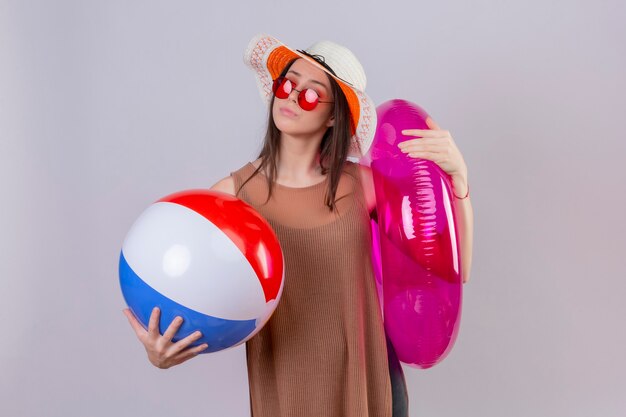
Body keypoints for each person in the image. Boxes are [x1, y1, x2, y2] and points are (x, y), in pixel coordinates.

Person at [123, 34, 474, 417]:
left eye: (310, 94)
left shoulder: (365, 186)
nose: (291, 97)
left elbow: (450, 268)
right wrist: (160, 354)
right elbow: (192, 290)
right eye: (288, 84)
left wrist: (458, 182)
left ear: (335, 115)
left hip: (370, 388)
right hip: (286, 394)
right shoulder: (231, 196)